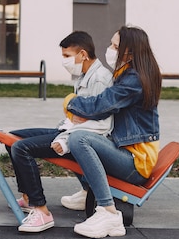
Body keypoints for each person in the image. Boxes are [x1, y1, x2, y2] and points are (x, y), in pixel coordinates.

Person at [7, 31, 115, 233]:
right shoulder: (84, 74)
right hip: (69, 130)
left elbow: (102, 124)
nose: (64, 61)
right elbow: (79, 116)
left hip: (83, 138)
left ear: (82, 54)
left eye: (67, 56)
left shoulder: (100, 79)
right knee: (13, 138)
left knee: (21, 148)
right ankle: (29, 197)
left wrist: (65, 139)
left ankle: (42, 212)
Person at [67, 25, 161, 238]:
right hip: (127, 152)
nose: (109, 49)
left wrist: (71, 102)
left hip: (135, 162)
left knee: (79, 139)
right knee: (74, 137)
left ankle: (108, 212)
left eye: (115, 46)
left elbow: (102, 104)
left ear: (130, 51)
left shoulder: (134, 80)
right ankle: (88, 191)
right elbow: (105, 108)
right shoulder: (130, 74)